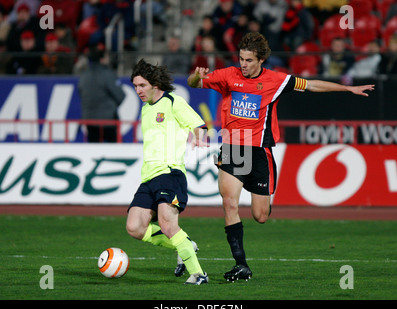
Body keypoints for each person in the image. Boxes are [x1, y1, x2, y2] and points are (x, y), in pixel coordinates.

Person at [187, 31, 374, 282]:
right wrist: (195, 76)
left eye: (249, 60)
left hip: (260, 151)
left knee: (260, 216)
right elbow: (194, 83)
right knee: (229, 203)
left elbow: (311, 85)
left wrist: (347, 88)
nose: (243, 64)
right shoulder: (227, 75)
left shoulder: (276, 80)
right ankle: (241, 265)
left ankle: (264, 201)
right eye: (241, 59)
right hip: (232, 148)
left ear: (261, 60)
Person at [126, 59, 209, 285]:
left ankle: (198, 274)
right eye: (135, 86)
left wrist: (200, 138)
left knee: (167, 224)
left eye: (142, 85)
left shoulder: (173, 101)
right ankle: (184, 244)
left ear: (154, 84)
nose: (138, 91)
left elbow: (199, 125)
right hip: (149, 177)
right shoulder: (145, 110)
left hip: (170, 173)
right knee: (134, 227)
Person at [78, 44, 126, 142]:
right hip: (108, 120)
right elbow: (120, 95)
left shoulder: (84, 75)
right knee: (113, 151)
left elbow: (81, 93)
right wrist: (109, 107)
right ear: (102, 59)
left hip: (89, 120)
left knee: (93, 150)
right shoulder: (107, 74)